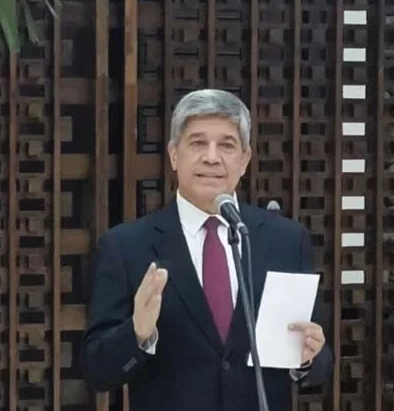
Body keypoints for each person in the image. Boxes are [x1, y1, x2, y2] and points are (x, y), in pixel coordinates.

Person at [81, 89, 333, 410]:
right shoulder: (127, 246)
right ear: (174, 155)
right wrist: (137, 334)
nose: (212, 157)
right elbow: (97, 371)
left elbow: (320, 364)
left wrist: (310, 358)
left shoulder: (286, 240)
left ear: (245, 159)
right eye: (198, 143)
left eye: (226, 145)